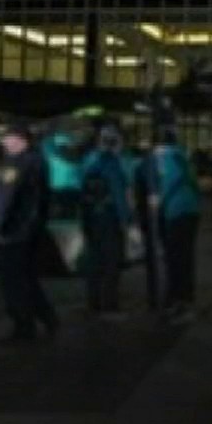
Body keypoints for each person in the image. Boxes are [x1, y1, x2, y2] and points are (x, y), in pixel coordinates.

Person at [0, 121, 59, 342]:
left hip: (14, 231)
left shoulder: (19, 164)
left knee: (14, 281)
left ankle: (24, 326)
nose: (3, 141)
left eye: (7, 137)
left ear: (19, 139)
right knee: (25, 278)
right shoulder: (29, 161)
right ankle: (45, 317)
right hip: (21, 230)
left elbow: (5, 200)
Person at [137, 127, 201, 323]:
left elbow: (170, 181)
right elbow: (192, 182)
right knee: (183, 258)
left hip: (175, 213)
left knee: (175, 259)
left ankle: (178, 303)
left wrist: (158, 201)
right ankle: (182, 301)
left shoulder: (165, 157)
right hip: (189, 212)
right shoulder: (181, 156)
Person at [81, 127, 132, 317]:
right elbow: (119, 194)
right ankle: (110, 305)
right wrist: (125, 219)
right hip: (109, 218)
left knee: (94, 262)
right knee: (112, 263)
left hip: (91, 217)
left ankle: (93, 303)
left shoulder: (88, 160)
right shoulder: (112, 164)